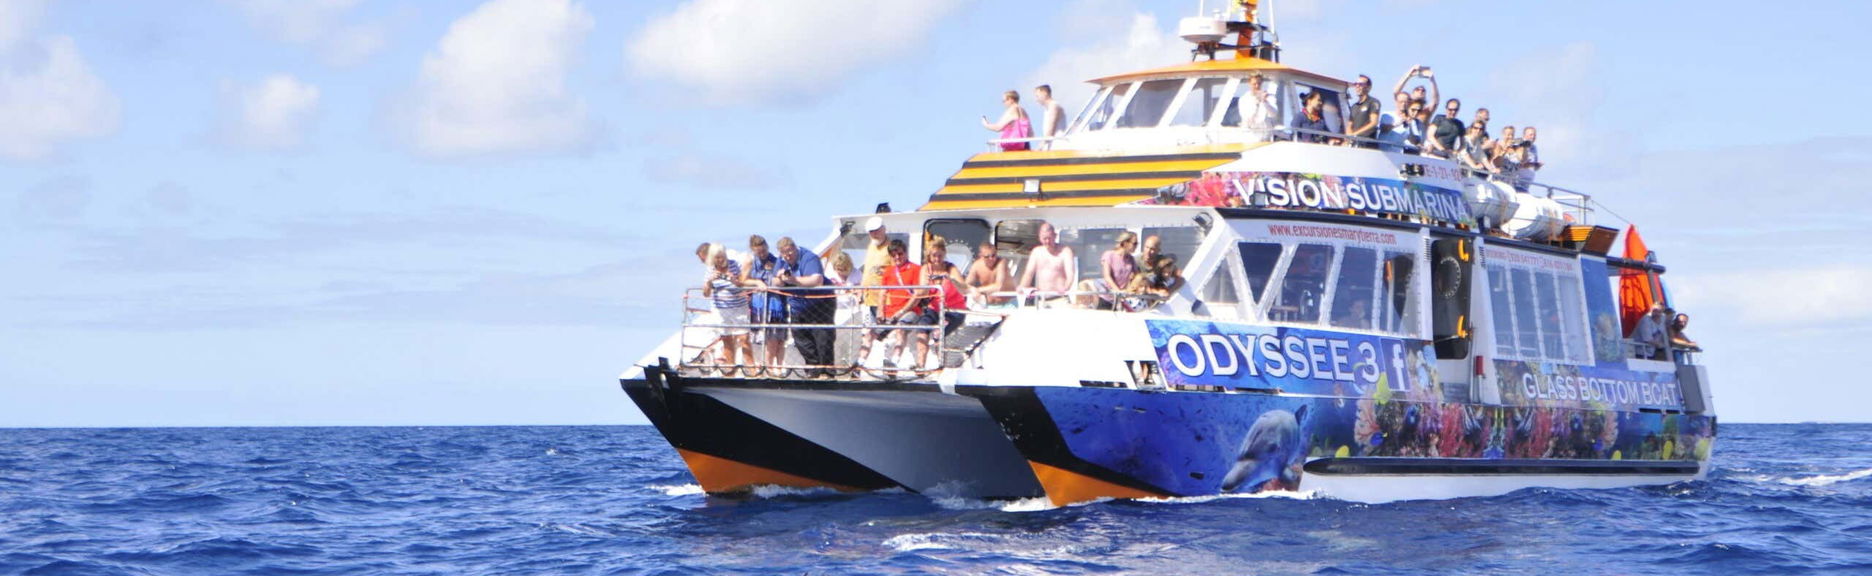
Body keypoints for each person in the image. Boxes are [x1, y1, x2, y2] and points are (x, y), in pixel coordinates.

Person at [775, 236, 833, 377]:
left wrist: (794, 280)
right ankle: (813, 367)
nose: (788, 256)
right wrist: (780, 278)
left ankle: (827, 371)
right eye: (784, 253)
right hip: (797, 305)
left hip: (819, 303)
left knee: (822, 339)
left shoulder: (809, 258)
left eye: (790, 252)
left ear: (795, 248)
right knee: (800, 338)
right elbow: (774, 282)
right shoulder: (781, 261)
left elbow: (817, 280)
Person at [864, 239, 922, 370]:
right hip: (891, 311)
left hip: (910, 310)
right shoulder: (889, 271)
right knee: (870, 333)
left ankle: (894, 361)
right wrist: (880, 310)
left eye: (900, 254)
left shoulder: (915, 269)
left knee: (901, 329)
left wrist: (902, 311)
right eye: (894, 255)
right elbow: (883, 292)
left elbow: (917, 295)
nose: (897, 257)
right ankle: (860, 363)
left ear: (906, 253)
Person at [914, 237, 969, 369]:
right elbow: (920, 293)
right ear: (929, 256)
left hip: (953, 310)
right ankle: (920, 366)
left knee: (939, 332)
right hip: (934, 309)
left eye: (940, 255)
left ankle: (941, 366)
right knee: (922, 330)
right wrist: (926, 284)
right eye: (934, 256)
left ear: (944, 254)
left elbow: (964, 288)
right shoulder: (925, 269)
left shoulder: (951, 268)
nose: (937, 259)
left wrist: (950, 279)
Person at [701, 244, 753, 373]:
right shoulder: (710, 270)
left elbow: (745, 284)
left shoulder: (735, 265)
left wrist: (734, 280)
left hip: (739, 307)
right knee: (727, 341)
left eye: (722, 256)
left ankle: (752, 371)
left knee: (744, 339)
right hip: (721, 310)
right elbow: (706, 293)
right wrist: (709, 282)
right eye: (717, 257)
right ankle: (730, 372)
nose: (720, 260)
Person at [741, 234, 787, 372]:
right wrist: (757, 282)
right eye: (758, 252)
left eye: (763, 251)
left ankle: (779, 367)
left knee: (780, 339)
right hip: (761, 304)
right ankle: (769, 367)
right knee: (770, 339)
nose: (762, 254)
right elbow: (743, 281)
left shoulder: (777, 261)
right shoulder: (750, 262)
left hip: (777, 303)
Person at [1017, 221, 1078, 305]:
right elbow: (1028, 273)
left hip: (1060, 299)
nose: (1047, 241)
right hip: (1040, 299)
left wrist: (1066, 287)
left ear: (1055, 236)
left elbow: (1070, 273)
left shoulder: (1065, 251)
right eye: (1044, 238)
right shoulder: (1036, 252)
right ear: (1039, 238)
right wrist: (1022, 287)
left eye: (1049, 238)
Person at [823, 251, 863, 370]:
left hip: (853, 311)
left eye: (844, 269)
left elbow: (861, 289)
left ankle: (853, 367)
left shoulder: (857, 274)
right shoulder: (829, 275)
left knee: (853, 342)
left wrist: (858, 294)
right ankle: (837, 366)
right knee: (837, 342)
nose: (841, 272)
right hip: (835, 311)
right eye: (839, 269)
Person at [859, 216, 890, 362]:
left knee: (885, 334)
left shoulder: (891, 248)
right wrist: (861, 289)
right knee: (868, 333)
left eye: (877, 231)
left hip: (887, 300)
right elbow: (867, 270)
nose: (874, 234)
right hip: (869, 298)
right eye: (871, 232)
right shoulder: (871, 247)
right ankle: (860, 363)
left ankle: (890, 365)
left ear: (884, 229)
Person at [1081, 231, 1138, 308]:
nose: (1136, 246)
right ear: (1125, 243)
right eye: (1134, 244)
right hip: (1107, 297)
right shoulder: (1109, 255)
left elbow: (1136, 277)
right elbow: (1107, 276)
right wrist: (1117, 291)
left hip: (1122, 298)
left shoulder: (1131, 259)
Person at [964, 241, 1012, 306]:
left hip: (1009, 304)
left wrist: (977, 290)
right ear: (981, 256)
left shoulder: (1001, 263)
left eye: (993, 255)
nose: (991, 259)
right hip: (989, 305)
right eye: (987, 257)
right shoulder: (976, 265)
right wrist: (972, 289)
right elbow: (965, 285)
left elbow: (998, 286)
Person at [1345, 74, 1382, 146]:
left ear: (1368, 87)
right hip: (1354, 143)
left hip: (1367, 144)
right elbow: (1349, 125)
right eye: (1356, 84)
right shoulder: (1354, 106)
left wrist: (1355, 134)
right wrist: (1348, 137)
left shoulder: (1373, 102)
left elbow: (1374, 123)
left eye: (1361, 84)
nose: (1357, 86)